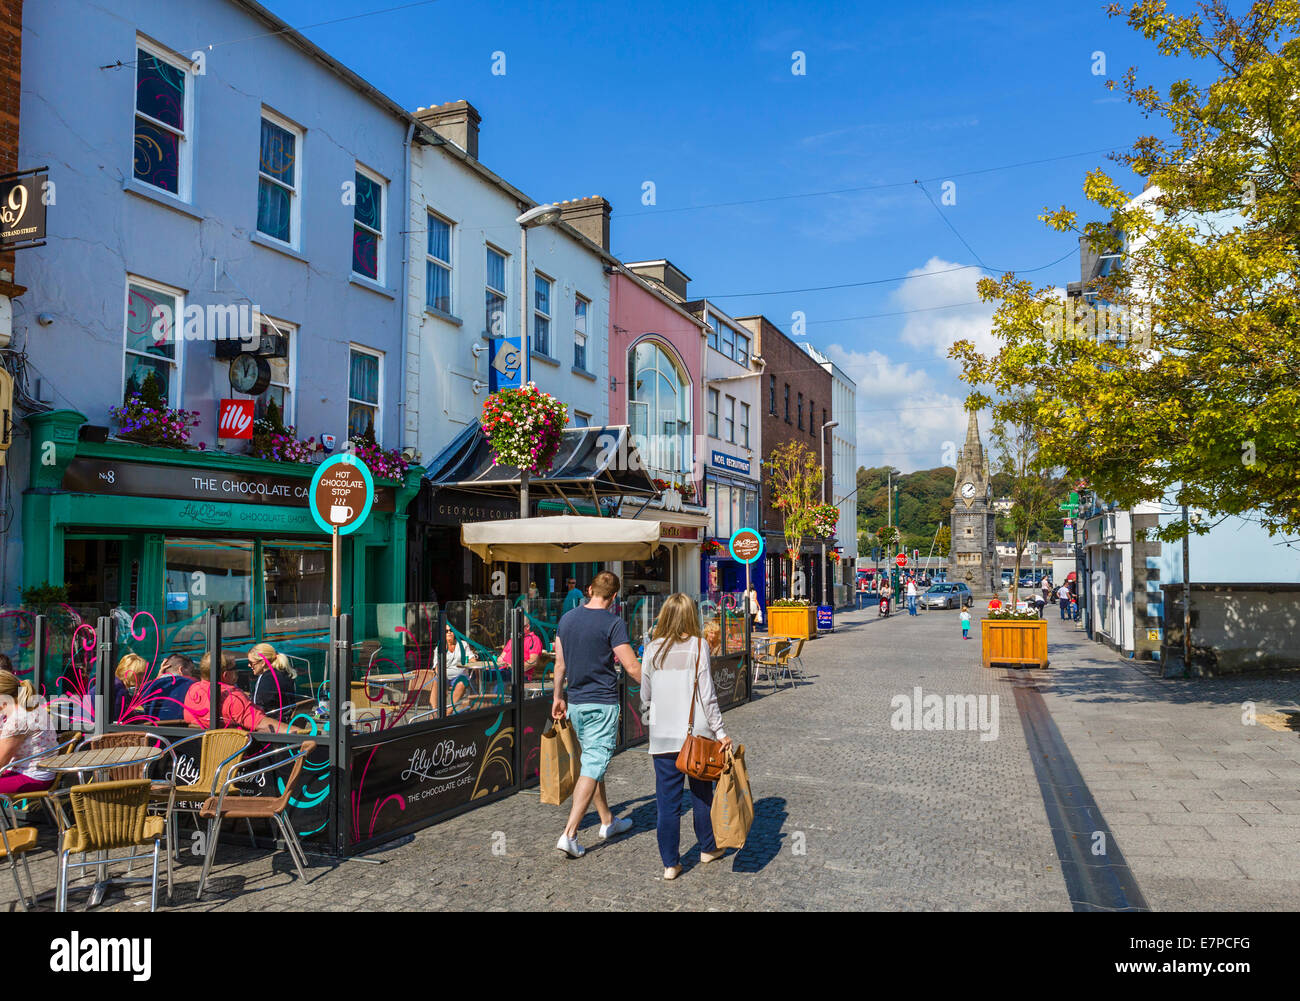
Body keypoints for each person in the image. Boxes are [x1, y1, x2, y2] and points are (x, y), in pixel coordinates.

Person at [640, 593, 732, 880]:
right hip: (697, 736)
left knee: (667, 804)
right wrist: (721, 732)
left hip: (663, 738)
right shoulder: (699, 646)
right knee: (702, 794)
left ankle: (670, 863)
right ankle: (707, 847)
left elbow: (645, 697)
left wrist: (655, 724)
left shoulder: (652, 649)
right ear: (692, 617)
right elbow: (707, 696)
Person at [551, 570, 642, 859]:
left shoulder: (567, 619)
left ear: (589, 589)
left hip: (576, 703)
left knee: (592, 759)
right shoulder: (613, 623)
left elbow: (560, 665)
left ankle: (607, 821)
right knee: (593, 763)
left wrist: (557, 696)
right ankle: (570, 834)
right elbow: (631, 666)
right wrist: (660, 686)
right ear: (615, 596)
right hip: (601, 704)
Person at [183, 650, 295, 733]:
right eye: (234, 668)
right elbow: (261, 724)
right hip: (239, 756)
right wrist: (300, 733)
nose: (237, 671)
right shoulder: (233, 698)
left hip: (202, 754)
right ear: (225, 675)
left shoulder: (192, 690)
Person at [0, 667, 57, 798]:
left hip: (32, 777)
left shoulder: (18, 719)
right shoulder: (27, 707)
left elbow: (1, 762)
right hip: (39, 772)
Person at [135, 653, 197, 720]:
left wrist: (157, 679)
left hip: (151, 728)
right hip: (181, 727)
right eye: (191, 671)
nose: (191, 675)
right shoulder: (191, 684)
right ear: (181, 670)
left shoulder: (147, 687)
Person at [248, 642, 298, 717]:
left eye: (251, 662)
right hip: (285, 719)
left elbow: (258, 707)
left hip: (270, 723)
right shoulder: (285, 673)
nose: (249, 665)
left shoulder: (265, 679)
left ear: (263, 663)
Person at [442, 626, 472, 706]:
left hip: (460, 675)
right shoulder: (440, 647)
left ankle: (449, 711)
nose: (449, 632)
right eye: (446, 631)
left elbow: (471, 659)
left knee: (461, 683)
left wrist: (476, 665)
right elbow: (437, 667)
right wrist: (442, 681)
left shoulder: (463, 644)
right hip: (444, 677)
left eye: (451, 630)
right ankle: (435, 713)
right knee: (435, 683)